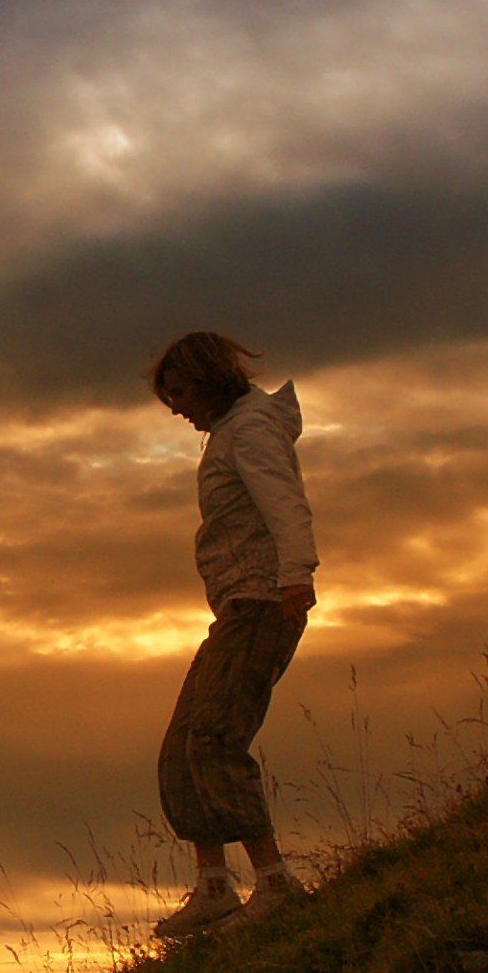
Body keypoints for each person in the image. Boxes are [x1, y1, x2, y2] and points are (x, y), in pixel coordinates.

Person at [146, 332, 317, 938]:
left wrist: (296, 576)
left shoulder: (251, 429)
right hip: (236, 608)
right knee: (182, 746)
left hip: (262, 600)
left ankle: (274, 883)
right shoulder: (232, 431)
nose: (175, 407)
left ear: (210, 378)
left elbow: (284, 502)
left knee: (216, 735)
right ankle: (215, 886)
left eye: (181, 391)